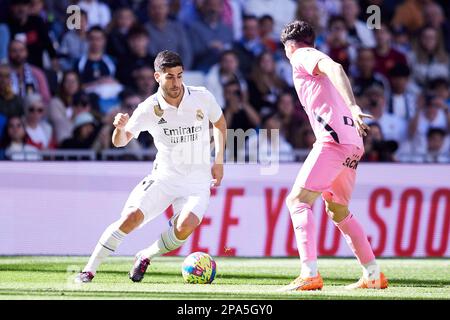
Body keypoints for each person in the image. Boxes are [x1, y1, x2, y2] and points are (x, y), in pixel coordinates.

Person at [75, 50, 227, 283]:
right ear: (157, 77)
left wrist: (219, 161)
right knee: (130, 218)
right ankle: (89, 270)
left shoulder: (201, 96)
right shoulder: (148, 108)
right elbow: (120, 141)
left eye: (179, 75)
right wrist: (119, 128)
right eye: (170, 77)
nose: (176, 83)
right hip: (164, 178)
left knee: (186, 225)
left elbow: (219, 122)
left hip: (197, 181)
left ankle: (146, 255)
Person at [279, 20, 388, 291]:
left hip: (333, 141)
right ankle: (373, 274)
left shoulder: (301, 55)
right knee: (338, 210)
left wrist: (352, 105)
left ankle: (309, 274)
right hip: (353, 143)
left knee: (298, 201)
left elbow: (334, 66)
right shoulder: (314, 62)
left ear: (288, 46)